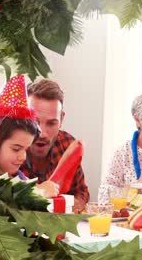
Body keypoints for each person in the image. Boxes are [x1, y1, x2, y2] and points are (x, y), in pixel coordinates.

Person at [20, 79, 89, 210]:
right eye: (34, 121)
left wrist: (65, 202)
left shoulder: (68, 144)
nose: (42, 134)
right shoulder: (11, 149)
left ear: (62, 119)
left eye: (51, 123)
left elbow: (81, 194)